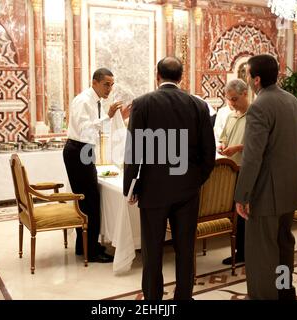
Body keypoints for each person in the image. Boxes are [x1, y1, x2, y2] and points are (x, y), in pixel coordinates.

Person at [123, 57, 216, 300]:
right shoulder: (198, 105)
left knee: (152, 249)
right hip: (187, 190)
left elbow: (134, 151)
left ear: (157, 76)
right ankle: (183, 296)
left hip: (153, 189)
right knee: (185, 248)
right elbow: (209, 153)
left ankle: (153, 299)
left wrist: (131, 187)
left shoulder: (142, 104)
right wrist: (196, 181)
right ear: (181, 77)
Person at [234, 54, 297, 300]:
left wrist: (242, 194)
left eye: (247, 74)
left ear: (256, 80)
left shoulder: (259, 106)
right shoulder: (292, 101)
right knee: (284, 246)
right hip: (292, 187)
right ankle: (284, 291)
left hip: (267, 191)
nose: (246, 78)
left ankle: (263, 296)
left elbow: (252, 157)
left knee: (261, 253)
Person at [64, 67, 130, 263]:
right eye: (106, 84)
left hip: (83, 149)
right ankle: (91, 251)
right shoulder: (84, 101)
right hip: (78, 150)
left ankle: (83, 245)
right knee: (89, 200)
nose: (109, 89)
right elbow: (85, 131)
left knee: (88, 199)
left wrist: (119, 117)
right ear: (94, 82)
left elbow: (96, 130)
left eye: (111, 85)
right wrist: (108, 117)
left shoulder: (94, 101)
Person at [217, 79, 249, 266]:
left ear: (245, 93)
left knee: (244, 214)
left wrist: (237, 148)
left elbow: (259, 144)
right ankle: (238, 250)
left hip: (246, 170)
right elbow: (224, 139)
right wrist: (223, 145)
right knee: (234, 213)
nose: (232, 104)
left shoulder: (255, 115)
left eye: (235, 99)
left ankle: (245, 252)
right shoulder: (230, 116)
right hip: (231, 171)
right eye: (229, 100)